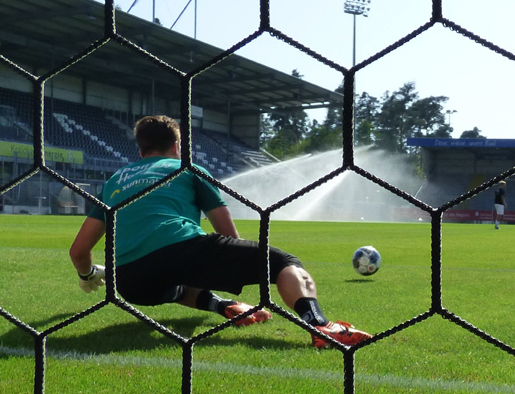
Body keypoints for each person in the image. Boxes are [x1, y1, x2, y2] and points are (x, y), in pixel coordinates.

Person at [69, 115, 371, 348]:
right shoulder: (187, 168)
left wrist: (87, 275)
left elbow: (78, 250)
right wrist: (240, 267)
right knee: (283, 263)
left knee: (175, 285)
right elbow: (227, 234)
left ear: (140, 148)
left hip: (130, 282)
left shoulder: (115, 180)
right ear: (177, 147)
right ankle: (319, 326)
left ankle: (224, 306)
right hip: (179, 249)